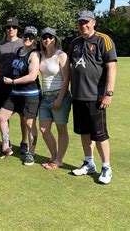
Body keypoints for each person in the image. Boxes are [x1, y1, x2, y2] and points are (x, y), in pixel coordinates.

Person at [69, 10, 117, 184]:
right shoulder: (74, 43)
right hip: (78, 96)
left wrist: (108, 94)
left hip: (96, 97)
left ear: (94, 22)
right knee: (84, 132)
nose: (83, 25)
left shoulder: (103, 40)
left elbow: (111, 67)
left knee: (100, 135)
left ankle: (106, 167)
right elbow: (71, 68)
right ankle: (89, 163)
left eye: (87, 22)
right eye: (80, 22)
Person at [0, 26, 40, 165]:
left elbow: (33, 76)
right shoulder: (19, 51)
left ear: (34, 39)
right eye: (26, 36)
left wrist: (13, 81)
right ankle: (5, 146)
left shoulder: (34, 54)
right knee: (2, 116)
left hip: (29, 94)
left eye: (31, 37)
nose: (28, 39)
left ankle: (31, 153)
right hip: (15, 92)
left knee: (29, 123)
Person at [38, 27, 72, 170]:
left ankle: (59, 160)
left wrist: (59, 99)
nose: (47, 40)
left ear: (55, 39)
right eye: (45, 37)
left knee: (61, 128)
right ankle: (54, 156)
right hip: (44, 97)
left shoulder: (61, 55)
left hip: (60, 96)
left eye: (50, 37)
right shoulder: (40, 55)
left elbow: (66, 79)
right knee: (43, 129)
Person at [0, 17, 28, 155]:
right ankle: (6, 142)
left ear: (17, 29)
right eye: (8, 27)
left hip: (20, 84)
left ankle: (24, 142)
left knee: (23, 116)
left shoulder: (23, 43)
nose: (11, 30)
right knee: (4, 115)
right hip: (3, 84)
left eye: (14, 27)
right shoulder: (0, 45)